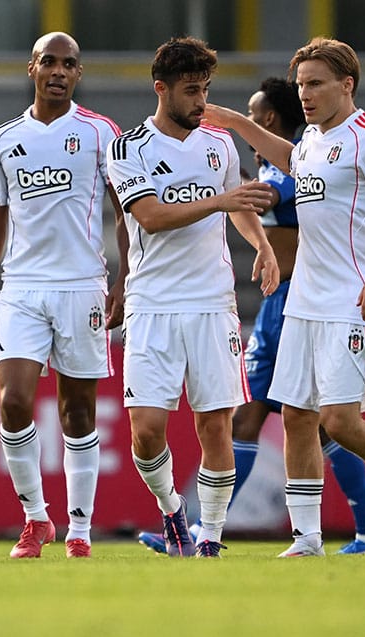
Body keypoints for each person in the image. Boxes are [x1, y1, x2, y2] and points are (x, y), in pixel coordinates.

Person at [204, 36, 365, 557]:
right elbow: (289, 157)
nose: (306, 94)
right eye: (300, 85)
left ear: (347, 84)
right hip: (304, 300)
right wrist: (232, 120)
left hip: (354, 299)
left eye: (315, 83)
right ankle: (307, 537)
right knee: (297, 416)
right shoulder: (312, 141)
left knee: (340, 420)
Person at [137, 76, 365, 556]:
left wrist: (224, 189)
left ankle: (198, 531)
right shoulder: (303, 156)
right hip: (285, 302)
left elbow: (269, 193)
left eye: (253, 115)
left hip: (298, 302)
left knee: (269, 419)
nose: (248, 122)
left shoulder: (297, 163)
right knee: (310, 422)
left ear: (268, 119)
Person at [106, 36, 280, 559]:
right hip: (152, 303)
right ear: (161, 89)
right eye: (190, 91)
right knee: (146, 431)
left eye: (205, 89)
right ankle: (172, 513)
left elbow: (240, 207)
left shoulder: (218, 143)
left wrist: (265, 245)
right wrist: (221, 199)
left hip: (211, 302)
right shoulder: (129, 146)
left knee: (215, 425)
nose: (200, 102)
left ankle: (210, 536)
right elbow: (153, 218)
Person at [0, 32, 129, 559]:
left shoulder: (101, 133)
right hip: (21, 288)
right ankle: (36, 520)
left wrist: (127, 277)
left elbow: (127, 211)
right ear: (32, 67)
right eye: (49, 62)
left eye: (69, 64)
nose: (59, 71)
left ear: (78, 74)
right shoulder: (2, 140)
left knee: (78, 413)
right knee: (13, 402)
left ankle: (80, 530)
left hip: (83, 285)